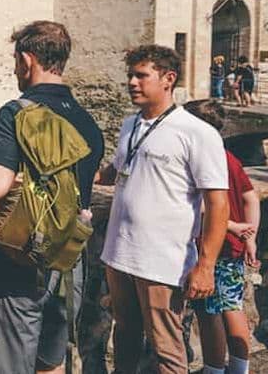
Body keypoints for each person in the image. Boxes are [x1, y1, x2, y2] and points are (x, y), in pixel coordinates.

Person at [0, 21, 104, 374]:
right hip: (68, 264)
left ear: (28, 61)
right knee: (51, 364)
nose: (16, 70)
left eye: (16, 62)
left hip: (19, 266)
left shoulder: (17, 113)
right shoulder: (86, 120)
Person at [96, 45, 229, 374]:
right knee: (124, 335)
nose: (131, 82)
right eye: (130, 75)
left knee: (166, 348)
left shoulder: (197, 132)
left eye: (141, 75)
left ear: (168, 79)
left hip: (161, 261)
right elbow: (112, 173)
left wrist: (206, 266)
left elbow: (217, 202)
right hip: (119, 254)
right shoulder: (129, 125)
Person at [183, 100, 260, 374]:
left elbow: (203, 206)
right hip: (235, 249)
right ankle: (240, 369)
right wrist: (250, 237)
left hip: (212, 246)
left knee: (209, 313)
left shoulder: (201, 158)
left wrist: (231, 227)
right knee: (233, 307)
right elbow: (250, 198)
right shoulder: (230, 158)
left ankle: (213, 369)